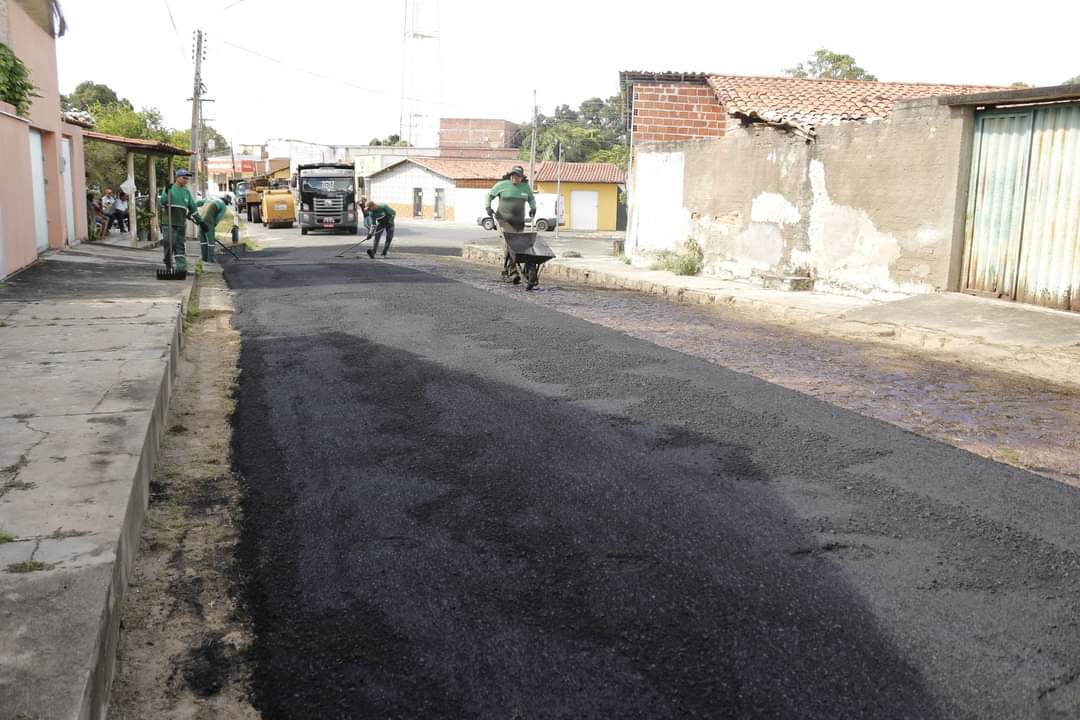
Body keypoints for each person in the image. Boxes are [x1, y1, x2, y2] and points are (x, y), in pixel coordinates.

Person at [484, 165, 536, 284]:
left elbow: (531, 199)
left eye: (517, 176)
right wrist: (488, 207)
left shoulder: (525, 187)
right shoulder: (502, 185)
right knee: (510, 245)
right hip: (503, 221)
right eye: (513, 175)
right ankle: (513, 272)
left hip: (519, 223)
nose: (515, 178)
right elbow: (489, 195)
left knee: (516, 247)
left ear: (521, 177)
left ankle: (507, 270)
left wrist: (533, 208)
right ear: (510, 175)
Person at [158, 169, 198, 272]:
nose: (186, 180)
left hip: (180, 223)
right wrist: (166, 192)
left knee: (180, 246)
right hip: (168, 222)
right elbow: (163, 201)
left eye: (187, 178)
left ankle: (181, 269)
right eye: (184, 177)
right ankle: (168, 263)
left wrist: (201, 222)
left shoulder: (186, 192)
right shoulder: (170, 188)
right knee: (169, 242)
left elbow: (193, 208)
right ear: (177, 177)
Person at [195, 194, 231, 263]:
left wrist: (190, 210)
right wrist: (213, 227)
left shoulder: (211, 198)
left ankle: (204, 258)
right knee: (211, 241)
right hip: (209, 220)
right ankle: (210, 260)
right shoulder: (223, 206)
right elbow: (218, 218)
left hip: (200, 219)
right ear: (226, 202)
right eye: (228, 203)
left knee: (203, 240)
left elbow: (197, 203)